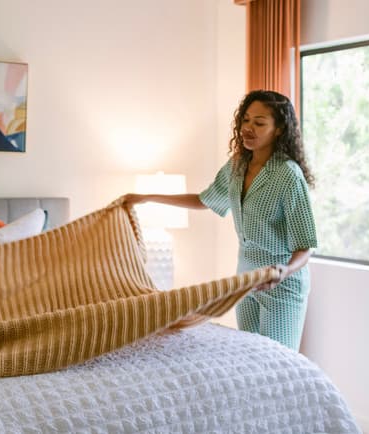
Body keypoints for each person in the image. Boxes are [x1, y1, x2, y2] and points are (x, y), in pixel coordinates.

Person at [123, 90, 317, 351]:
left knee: (276, 362)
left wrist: (285, 272)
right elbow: (204, 200)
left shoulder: (287, 175)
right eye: (246, 120)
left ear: (279, 129)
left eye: (259, 123)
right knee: (250, 357)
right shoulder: (237, 166)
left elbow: (306, 244)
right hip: (245, 283)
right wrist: (147, 197)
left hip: (280, 286)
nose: (248, 128)